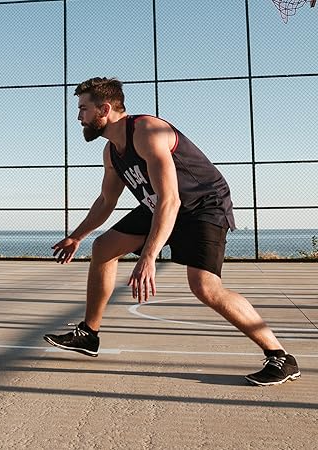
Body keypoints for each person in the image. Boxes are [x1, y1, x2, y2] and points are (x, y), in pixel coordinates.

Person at [43, 77, 300, 386]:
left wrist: (149, 256)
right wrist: (77, 236)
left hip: (201, 205)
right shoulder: (112, 152)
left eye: (84, 109)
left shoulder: (148, 132)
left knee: (205, 287)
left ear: (105, 109)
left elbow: (171, 199)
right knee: (103, 248)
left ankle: (281, 357)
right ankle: (89, 334)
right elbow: (106, 201)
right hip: (162, 205)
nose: (79, 117)